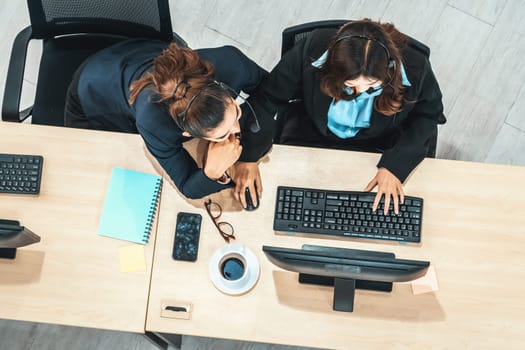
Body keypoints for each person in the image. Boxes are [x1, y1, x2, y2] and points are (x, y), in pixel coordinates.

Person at [248, 19, 446, 214]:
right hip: (312, 134)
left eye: (372, 86)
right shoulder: (313, 48)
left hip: (377, 146)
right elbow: (268, 96)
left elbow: (429, 116)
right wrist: (249, 155)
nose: (360, 92)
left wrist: (395, 166)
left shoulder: (415, 66)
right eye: (351, 85)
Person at [64, 39, 270, 207]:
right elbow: (186, 186)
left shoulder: (231, 63)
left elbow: (273, 90)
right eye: (223, 135)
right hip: (94, 92)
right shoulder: (154, 124)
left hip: (140, 53)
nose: (237, 129)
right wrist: (212, 172)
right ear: (188, 134)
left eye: (236, 112)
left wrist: (249, 155)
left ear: (222, 89)